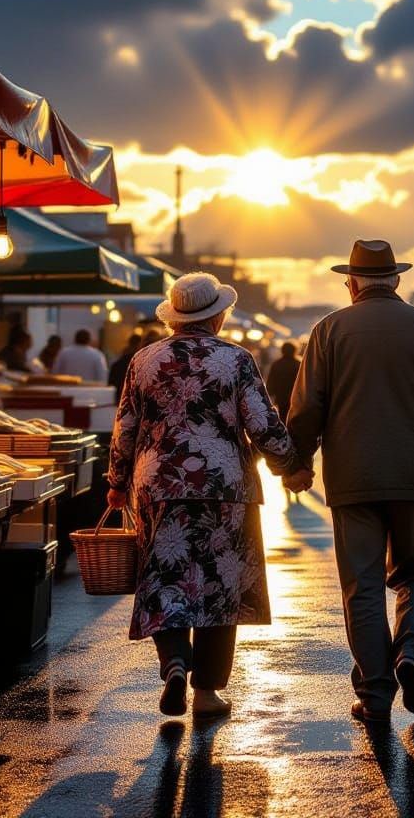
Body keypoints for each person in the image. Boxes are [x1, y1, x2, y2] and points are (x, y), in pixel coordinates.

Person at [288, 239, 414, 724]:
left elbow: (307, 406)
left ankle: (375, 695)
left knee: (364, 585)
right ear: (396, 279)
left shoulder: (328, 330)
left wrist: (295, 463)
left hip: (353, 477)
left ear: (350, 282)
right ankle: (413, 654)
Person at [106, 273, 311, 718]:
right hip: (224, 485)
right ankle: (207, 692)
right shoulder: (236, 360)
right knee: (220, 584)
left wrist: (117, 482)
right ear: (217, 316)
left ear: (175, 317)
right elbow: (262, 423)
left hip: (158, 485)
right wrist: (290, 467)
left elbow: (125, 428)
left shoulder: (143, 361)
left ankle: (176, 661)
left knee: (165, 577)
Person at [265, 342, 300, 419]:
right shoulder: (298, 364)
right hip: (295, 397)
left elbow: (271, 381)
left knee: (282, 415)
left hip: (281, 397)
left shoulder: (277, 364)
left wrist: (269, 393)